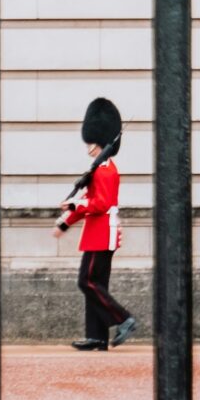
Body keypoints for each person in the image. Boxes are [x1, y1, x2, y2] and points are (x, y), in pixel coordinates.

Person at [57, 96, 136, 351]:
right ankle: (97, 337)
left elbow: (99, 204)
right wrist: (65, 222)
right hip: (97, 233)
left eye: (91, 142)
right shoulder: (99, 169)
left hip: (102, 233)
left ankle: (124, 319)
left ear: (100, 142)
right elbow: (87, 200)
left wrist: (73, 206)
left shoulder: (105, 171)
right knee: (95, 285)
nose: (88, 147)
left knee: (87, 282)